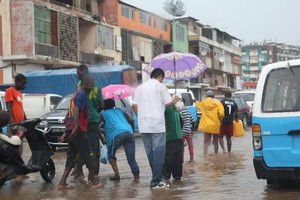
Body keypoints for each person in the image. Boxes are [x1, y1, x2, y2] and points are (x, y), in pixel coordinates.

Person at [132, 68, 179, 189]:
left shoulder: (140, 87)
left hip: (144, 125)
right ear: (160, 76)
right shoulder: (160, 86)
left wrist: (141, 117)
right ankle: (156, 181)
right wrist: (175, 100)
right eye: (162, 78)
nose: (162, 80)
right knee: (158, 153)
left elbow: (134, 104)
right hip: (157, 125)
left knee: (150, 153)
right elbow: (168, 103)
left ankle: (157, 178)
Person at [57, 74, 102, 189]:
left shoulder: (75, 94)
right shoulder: (82, 94)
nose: (92, 88)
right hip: (78, 130)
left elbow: (68, 114)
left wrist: (66, 131)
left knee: (71, 156)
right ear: (85, 84)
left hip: (71, 129)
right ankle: (92, 181)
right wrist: (76, 128)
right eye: (91, 86)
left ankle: (62, 182)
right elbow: (76, 110)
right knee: (88, 154)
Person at [67, 64, 104, 180]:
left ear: (84, 73)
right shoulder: (97, 86)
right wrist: (94, 111)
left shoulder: (81, 86)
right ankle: (93, 175)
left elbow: (76, 106)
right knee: (91, 148)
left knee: (82, 147)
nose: (77, 75)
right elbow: (101, 105)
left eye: (78, 73)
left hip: (83, 121)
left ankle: (81, 173)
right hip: (92, 120)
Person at [101, 98, 140, 181]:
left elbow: (96, 126)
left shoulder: (103, 114)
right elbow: (132, 120)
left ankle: (117, 175)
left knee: (111, 155)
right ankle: (136, 178)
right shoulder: (120, 110)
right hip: (129, 132)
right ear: (114, 104)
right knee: (131, 158)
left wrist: (102, 138)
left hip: (116, 135)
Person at [195, 90, 224, 154]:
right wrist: (219, 120)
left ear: (207, 96)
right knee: (215, 141)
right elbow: (221, 113)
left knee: (206, 142)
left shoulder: (204, 102)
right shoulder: (218, 103)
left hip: (206, 125)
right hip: (215, 125)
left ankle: (205, 155)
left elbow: (199, 106)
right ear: (213, 96)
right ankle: (216, 154)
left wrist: (195, 101)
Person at [5, 74, 27, 155]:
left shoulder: (19, 93)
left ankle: (18, 165)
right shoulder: (10, 91)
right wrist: (12, 123)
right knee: (12, 147)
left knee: (19, 148)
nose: (24, 86)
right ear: (17, 81)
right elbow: (9, 107)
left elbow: (20, 108)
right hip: (14, 124)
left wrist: (26, 121)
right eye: (23, 83)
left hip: (20, 124)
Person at [163, 103, 183, 181]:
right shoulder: (177, 110)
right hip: (178, 137)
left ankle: (166, 177)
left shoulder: (167, 109)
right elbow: (182, 123)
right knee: (178, 159)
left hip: (170, 137)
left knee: (168, 159)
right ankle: (177, 177)